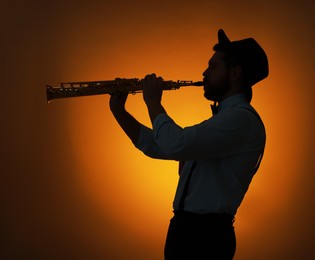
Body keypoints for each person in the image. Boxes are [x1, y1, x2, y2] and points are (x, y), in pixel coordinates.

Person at [109, 29, 269, 260]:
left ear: (234, 74)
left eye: (213, 67)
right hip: (187, 231)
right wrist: (119, 112)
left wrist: (153, 101)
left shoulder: (241, 120)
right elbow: (160, 146)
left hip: (205, 237)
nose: (205, 72)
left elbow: (175, 144)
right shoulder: (223, 121)